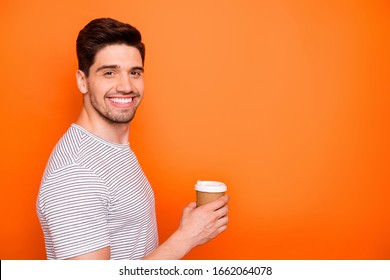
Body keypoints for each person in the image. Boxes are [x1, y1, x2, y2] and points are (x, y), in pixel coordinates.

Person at [36, 18, 229, 260]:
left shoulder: (110, 148)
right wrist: (186, 237)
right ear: (82, 81)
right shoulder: (76, 174)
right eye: (109, 72)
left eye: (134, 73)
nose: (126, 86)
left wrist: (189, 231)